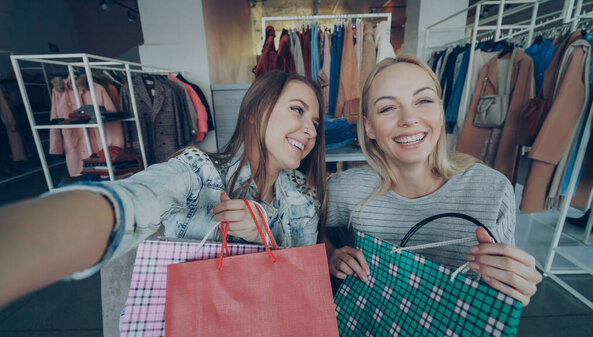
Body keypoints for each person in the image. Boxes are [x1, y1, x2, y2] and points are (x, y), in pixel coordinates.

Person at [0, 71, 326, 307]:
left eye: (315, 121)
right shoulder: (197, 171)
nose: (310, 129)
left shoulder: (304, 198)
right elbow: (133, 201)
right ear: (255, 112)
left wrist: (266, 236)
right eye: (298, 110)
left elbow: (301, 284)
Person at [324, 56, 542, 306]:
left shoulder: (490, 189)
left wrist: (515, 284)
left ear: (440, 110)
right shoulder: (345, 190)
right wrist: (331, 254)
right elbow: (310, 237)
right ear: (369, 127)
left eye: (424, 101)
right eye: (387, 108)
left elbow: (504, 288)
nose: (409, 118)